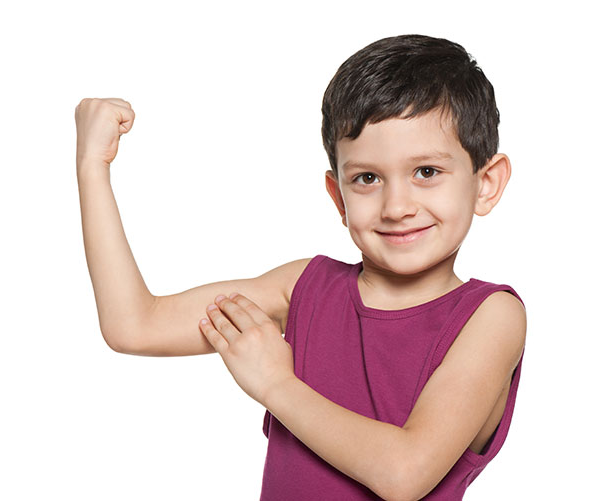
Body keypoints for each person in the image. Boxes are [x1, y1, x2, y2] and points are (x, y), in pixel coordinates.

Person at [75, 34, 527, 501]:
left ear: (486, 183)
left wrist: (275, 383)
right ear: (339, 196)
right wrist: (93, 167)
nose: (397, 206)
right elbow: (134, 325)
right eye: (368, 178)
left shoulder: (491, 315)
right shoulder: (303, 288)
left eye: (426, 172)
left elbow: (404, 474)